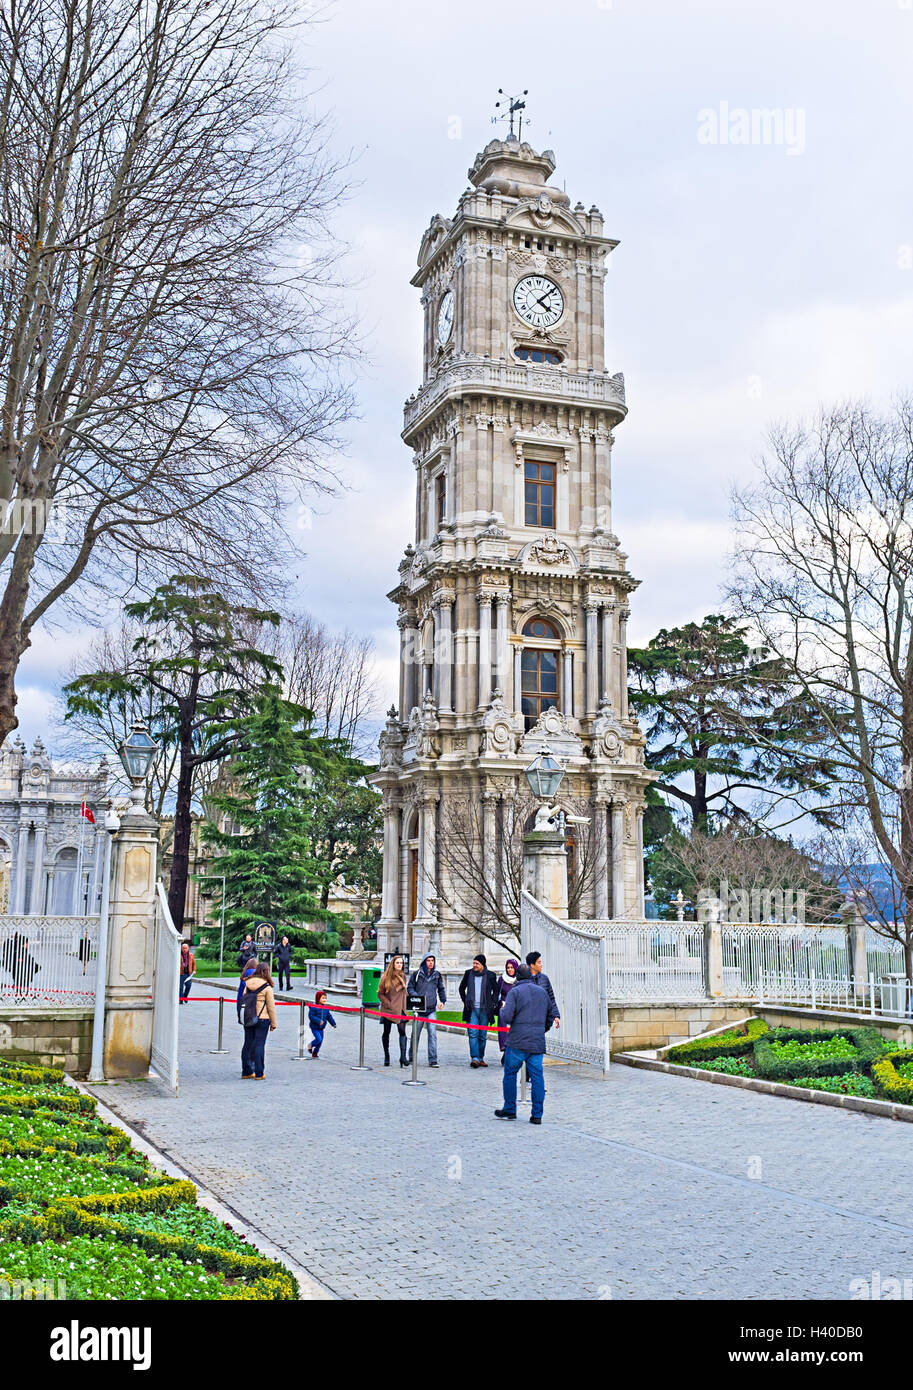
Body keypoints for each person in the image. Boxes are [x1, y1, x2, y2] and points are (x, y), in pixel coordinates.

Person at [495, 963, 559, 1125]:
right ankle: (537, 1114)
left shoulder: (514, 992)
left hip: (517, 1040)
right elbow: (550, 1015)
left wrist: (502, 1009)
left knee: (510, 1074)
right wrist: (542, 1029)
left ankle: (510, 1108)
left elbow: (507, 1017)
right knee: (537, 1077)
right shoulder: (542, 992)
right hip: (536, 1040)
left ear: (517, 976)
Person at [458, 954, 499, 1068]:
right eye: (474, 963)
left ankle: (481, 1058)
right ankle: (475, 1058)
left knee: (482, 1035)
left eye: (477, 963)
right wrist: (465, 1001)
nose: (474, 965)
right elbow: (461, 988)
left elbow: (496, 990)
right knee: (473, 1034)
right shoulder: (468, 973)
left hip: (485, 1010)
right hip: (471, 1010)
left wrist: (493, 1002)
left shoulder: (490, 975)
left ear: (483, 965)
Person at [407, 953, 446, 1067]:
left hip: (431, 1009)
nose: (430, 963)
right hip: (419, 1010)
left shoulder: (437, 975)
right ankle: (411, 1057)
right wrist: (417, 996)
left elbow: (441, 989)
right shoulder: (417, 974)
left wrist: (443, 1001)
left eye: (432, 961)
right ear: (424, 962)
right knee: (415, 1034)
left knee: (432, 1034)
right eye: (428, 960)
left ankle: (433, 1059)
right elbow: (410, 987)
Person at [240, 962, 277, 1079]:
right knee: (259, 1045)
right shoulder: (267, 987)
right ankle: (259, 1072)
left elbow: (243, 999)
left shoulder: (247, 983)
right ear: (266, 972)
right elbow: (271, 1007)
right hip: (263, 1018)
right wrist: (274, 1023)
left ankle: (246, 1071)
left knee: (247, 1043)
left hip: (249, 1017)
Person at [377, 954, 409, 1067]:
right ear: (393, 964)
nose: (399, 965)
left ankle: (403, 1057)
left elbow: (404, 993)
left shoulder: (403, 977)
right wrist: (388, 1004)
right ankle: (387, 1055)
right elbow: (380, 993)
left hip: (400, 1009)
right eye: (397, 963)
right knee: (387, 1032)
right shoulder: (385, 978)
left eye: (401, 963)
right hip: (389, 1010)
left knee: (402, 1032)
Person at [525, 951, 561, 1027]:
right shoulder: (523, 979)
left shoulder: (545, 979)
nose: (541, 965)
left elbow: (551, 998)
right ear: (532, 965)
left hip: (542, 1019)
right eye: (539, 962)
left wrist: (556, 1016)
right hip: (527, 1020)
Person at [495, 958, 520, 1064]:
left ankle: (510, 1054)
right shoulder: (502, 979)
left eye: (512, 967)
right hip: (504, 1008)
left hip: (516, 1009)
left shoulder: (519, 979)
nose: (510, 970)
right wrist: (501, 1003)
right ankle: (505, 1050)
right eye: (508, 968)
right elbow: (496, 995)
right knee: (504, 1031)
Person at [307, 990, 336, 1058]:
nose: (324, 999)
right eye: (322, 998)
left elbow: (329, 1016)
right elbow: (311, 1016)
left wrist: (333, 1023)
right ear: (318, 998)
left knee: (320, 1042)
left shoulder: (326, 1008)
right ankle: (310, 1045)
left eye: (325, 998)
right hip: (314, 1027)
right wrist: (318, 1021)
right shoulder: (313, 1007)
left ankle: (315, 1053)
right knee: (318, 1039)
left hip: (321, 1028)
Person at [236, 955, 259, 1023]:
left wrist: (239, 1013)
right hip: (257, 1011)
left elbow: (240, 997)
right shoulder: (259, 976)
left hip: (245, 1010)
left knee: (248, 1032)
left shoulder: (243, 976)